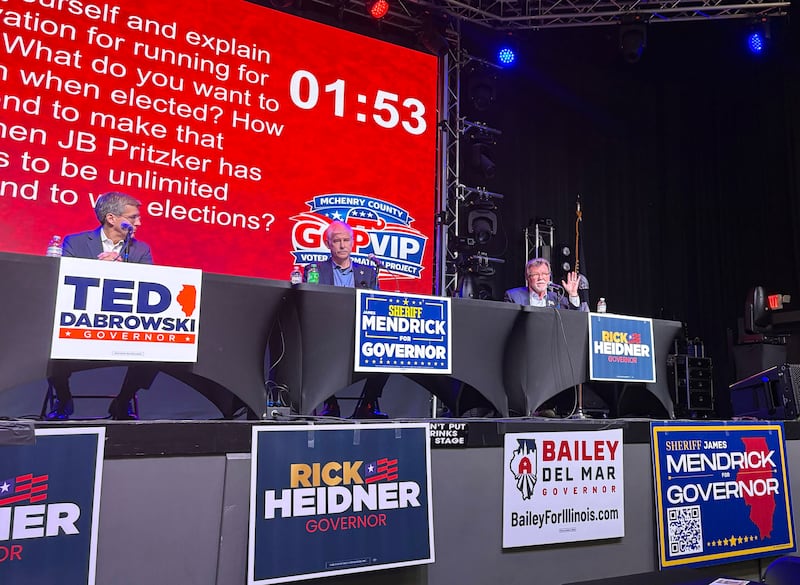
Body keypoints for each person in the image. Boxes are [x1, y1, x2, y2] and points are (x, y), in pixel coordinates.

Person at [47, 191, 157, 420]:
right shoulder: (75, 242)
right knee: (50, 337)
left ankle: (123, 400)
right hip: (82, 320)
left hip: (125, 323)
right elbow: (62, 277)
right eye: (134, 217)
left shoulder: (140, 250)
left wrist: (123, 267)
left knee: (159, 347)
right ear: (111, 218)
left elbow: (150, 283)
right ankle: (64, 398)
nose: (139, 222)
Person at [305, 220, 385, 418]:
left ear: (352, 243)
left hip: (359, 333)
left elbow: (378, 304)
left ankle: (367, 405)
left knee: (387, 347)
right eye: (337, 241)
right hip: (327, 332)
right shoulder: (314, 270)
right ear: (328, 244)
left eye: (346, 240)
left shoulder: (368, 272)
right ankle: (330, 404)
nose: (342, 245)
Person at [504, 258, 588, 311]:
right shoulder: (513, 296)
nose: (541, 278)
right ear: (527, 277)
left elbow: (575, 316)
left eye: (544, 274)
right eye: (536, 274)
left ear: (549, 276)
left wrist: (573, 295)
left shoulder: (558, 299)